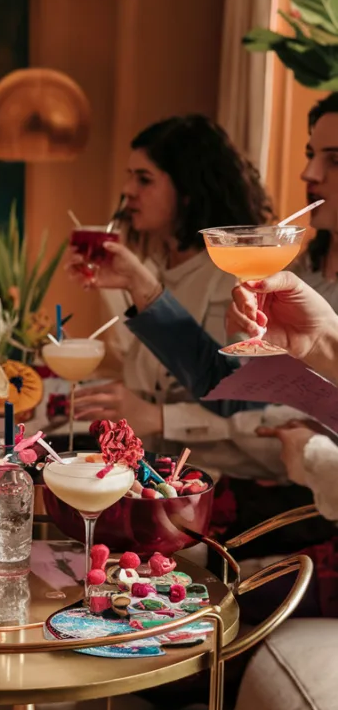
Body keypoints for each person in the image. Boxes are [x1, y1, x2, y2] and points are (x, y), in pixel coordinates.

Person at [67, 114, 277, 481]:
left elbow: (255, 409)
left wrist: (158, 418)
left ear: (188, 188)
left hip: (221, 486)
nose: (127, 190)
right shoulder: (158, 268)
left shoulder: (235, 278)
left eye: (144, 179)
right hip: (151, 472)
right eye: (129, 175)